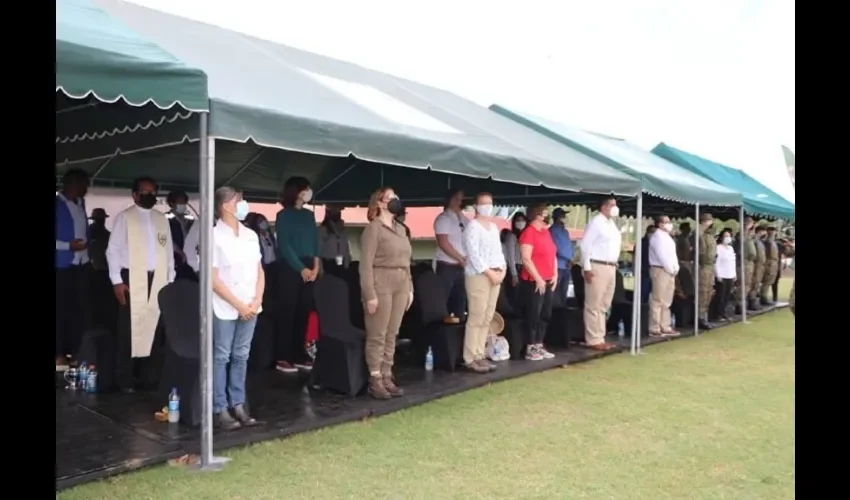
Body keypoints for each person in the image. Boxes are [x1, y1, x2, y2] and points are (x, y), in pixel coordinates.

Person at [106, 177, 175, 393]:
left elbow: (170, 252)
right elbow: (113, 250)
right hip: (132, 277)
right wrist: (116, 280)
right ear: (135, 195)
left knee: (155, 328)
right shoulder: (125, 218)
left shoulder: (161, 218)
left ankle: (149, 377)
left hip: (159, 279)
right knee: (129, 328)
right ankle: (124, 379)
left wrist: (170, 279)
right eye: (145, 191)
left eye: (153, 192)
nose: (150, 195)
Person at [210, 187, 263, 429]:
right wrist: (239, 305)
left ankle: (239, 404)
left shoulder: (250, 235)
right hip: (226, 305)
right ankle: (221, 407)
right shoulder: (212, 236)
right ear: (226, 206)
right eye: (238, 200)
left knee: (241, 356)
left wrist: (256, 300)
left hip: (251, 305)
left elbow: (259, 271)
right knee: (222, 356)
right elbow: (213, 280)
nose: (243, 204)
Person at [359, 187, 413, 399]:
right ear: (380, 203)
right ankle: (375, 378)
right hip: (381, 281)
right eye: (390, 198)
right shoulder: (373, 229)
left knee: (392, 332)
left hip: (400, 281)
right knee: (377, 333)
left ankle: (387, 374)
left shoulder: (401, 229)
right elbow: (365, 265)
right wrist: (369, 294)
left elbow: (407, 261)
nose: (394, 201)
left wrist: (409, 287)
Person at [274, 176, 319, 373]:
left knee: (303, 310)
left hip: (310, 265)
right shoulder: (283, 215)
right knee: (288, 311)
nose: (308, 192)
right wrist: (301, 268)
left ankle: (300, 353)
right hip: (290, 266)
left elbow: (316, 242)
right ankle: (283, 356)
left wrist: (316, 267)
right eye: (305, 188)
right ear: (296, 191)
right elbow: (284, 245)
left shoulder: (309, 215)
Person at [461, 193, 506, 373]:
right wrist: (488, 272)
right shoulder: (472, 227)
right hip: (479, 275)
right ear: (476, 205)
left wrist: (502, 269)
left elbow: (498, 251)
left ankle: (480, 353)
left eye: (489, 203)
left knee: (487, 316)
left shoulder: (494, 227)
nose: (487, 206)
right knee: (476, 315)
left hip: (495, 274)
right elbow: (473, 254)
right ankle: (470, 356)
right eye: (483, 203)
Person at [55, 168, 91, 371]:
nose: (87, 189)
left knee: (78, 311)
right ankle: (58, 355)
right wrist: (69, 246)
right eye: (84, 184)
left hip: (81, 265)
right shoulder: (57, 204)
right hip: (61, 265)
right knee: (60, 311)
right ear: (73, 184)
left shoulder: (80, 204)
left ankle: (75, 352)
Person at [579, 197, 622, 351]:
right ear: (603, 207)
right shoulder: (596, 222)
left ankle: (600, 336)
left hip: (610, 266)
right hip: (598, 265)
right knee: (593, 304)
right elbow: (585, 245)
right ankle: (593, 339)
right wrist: (587, 267)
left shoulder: (611, 224)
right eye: (612, 205)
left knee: (604, 304)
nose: (615, 207)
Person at [518, 203, 558, 360]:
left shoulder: (546, 233)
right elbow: (526, 258)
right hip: (533, 280)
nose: (546, 217)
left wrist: (554, 274)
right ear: (536, 215)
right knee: (533, 314)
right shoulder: (529, 233)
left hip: (548, 279)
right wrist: (538, 278)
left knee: (545, 313)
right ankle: (530, 346)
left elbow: (553, 254)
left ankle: (539, 343)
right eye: (543, 214)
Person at [434, 188, 468, 317]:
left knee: (460, 301)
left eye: (461, 199)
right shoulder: (444, 218)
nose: (459, 202)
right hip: (447, 266)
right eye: (456, 198)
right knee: (444, 301)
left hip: (462, 267)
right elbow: (443, 243)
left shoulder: (464, 219)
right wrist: (460, 258)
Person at [647, 215, 680, 337]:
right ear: (660, 224)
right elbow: (662, 255)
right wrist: (670, 268)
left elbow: (672, 255)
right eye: (666, 222)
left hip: (670, 271)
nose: (669, 224)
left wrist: (675, 267)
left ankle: (665, 325)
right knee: (658, 300)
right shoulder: (657, 237)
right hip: (660, 269)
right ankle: (654, 327)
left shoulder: (668, 237)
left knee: (667, 300)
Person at [165, 190, 196, 280]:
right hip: (175, 259)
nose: (183, 205)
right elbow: (166, 239)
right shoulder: (165, 218)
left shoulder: (190, 219)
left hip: (191, 258)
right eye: (180, 202)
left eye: (184, 202)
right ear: (171, 203)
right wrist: (180, 252)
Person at [317, 205, 351, 278]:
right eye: (335, 210)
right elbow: (317, 251)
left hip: (342, 266)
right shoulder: (323, 230)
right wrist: (320, 270)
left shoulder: (343, 230)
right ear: (328, 212)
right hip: (328, 265)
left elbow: (346, 248)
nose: (338, 212)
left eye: (339, 210)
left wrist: (347, 264)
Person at [696, 213, 717, 330]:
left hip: (710, 266)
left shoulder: (710, 236)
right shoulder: (700, 234)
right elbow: (700, 251)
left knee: (708, 292)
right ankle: (700, 317)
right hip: (702, 266)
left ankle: (704, 316)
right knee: (703, 292)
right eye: (709, 220)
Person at [710, 228, 736, 321]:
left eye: (729, 236)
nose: (727, 238)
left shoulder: (731, 248)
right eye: (725, 236)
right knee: (720, 295)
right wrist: (718, 274)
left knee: (727, 295)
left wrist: (734, 274)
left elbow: (733, 262)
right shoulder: (718, 248)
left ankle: (723, 312)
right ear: (721, 237)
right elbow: (716, 262)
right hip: (721, 275)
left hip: (730, 274)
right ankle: (718, 314)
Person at [549, 207, 574, 302]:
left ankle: (562, 308)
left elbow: (570, 245)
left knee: (564, 290)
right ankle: (553, 311)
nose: (565, 217)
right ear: (557, 217)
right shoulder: (552, 231)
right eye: (562, 216)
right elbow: (556, 248)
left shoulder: (565, 231)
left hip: (567, 266)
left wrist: (572, 258)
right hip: (558, 265)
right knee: (555, 290)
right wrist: (569, 258)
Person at [736, 217, 758, 312]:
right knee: (743, 285)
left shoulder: (749, 236)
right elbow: (742, 238)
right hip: (744, 263)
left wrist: (751, 229)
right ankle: (739, 305)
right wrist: (746, 227)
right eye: (750, 223)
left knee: (748, 285)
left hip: (750, 263)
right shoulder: (742, 234)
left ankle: (743, 304)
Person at [503, 212, 527, 286]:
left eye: (522, 220)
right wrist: (514, 274)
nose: (520, 222)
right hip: (516, 267)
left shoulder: (525, 235)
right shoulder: (512, 236)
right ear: (514, 222)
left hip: (523, 267)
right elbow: (511, 256)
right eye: (518, 220)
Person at [749, 225, 767, 311]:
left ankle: (754, 301)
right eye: (763, 231)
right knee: (754, 283)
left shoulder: (760, 241)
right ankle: (751, 302)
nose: (764, 233)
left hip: (761, 265)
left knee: (757, 284)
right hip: (756, 265)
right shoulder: (754, 241)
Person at [761, 226, 780, 306]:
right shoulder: (767, 242)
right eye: (772, 232)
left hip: (774, 262)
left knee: (770, 281)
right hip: (769, 263)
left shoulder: (773, 242)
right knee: (767, 281)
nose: (774, 233)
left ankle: (765, 296)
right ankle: (763, 297)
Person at [639, 224, 656, 303]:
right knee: (644, 291)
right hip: (644, 270)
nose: (653, 234)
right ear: (647, 232)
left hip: (654, 271)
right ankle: (642, 306)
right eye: (651, 232)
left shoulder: (656, 243)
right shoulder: (642, 242)